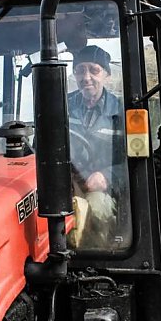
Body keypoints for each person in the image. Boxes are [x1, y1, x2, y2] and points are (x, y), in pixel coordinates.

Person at [67, 45, 125, 249]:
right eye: (80, 70)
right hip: (66, 184)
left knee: (97, 208)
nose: (86, 76)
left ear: (107, 75)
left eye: (94, 69)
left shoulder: (120, 111)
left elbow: (133, 162)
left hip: (103, 189)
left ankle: (95, 259)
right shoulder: (62, 106)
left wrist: (106, 176)